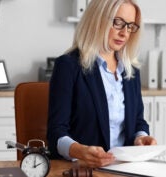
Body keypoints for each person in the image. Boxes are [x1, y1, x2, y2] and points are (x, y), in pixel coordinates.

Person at [47, 0, 157, 168]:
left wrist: (141, 137)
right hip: (84, 168)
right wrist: (79, 150)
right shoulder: (68, 66)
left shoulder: (131, 71)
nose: (124, 33)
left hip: (125, 167)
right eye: (118, 23)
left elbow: (138, 122)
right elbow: (56, 132)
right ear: (97, 19)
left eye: (130, 26)